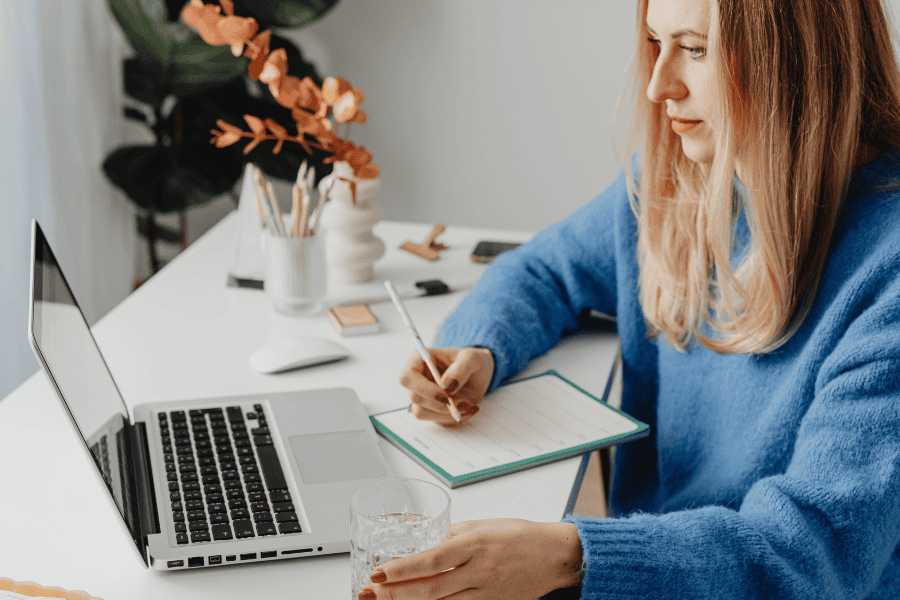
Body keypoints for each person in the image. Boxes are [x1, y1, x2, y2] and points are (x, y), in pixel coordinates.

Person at [358, 0, 900, 597]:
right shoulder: (675, 182)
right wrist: (479, 348)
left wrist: (571, 558)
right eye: (653, 42)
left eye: (694, 49)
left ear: (800, 60)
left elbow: (810, 550)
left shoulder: (887, 271)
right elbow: (545, 267)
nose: (657, 85)